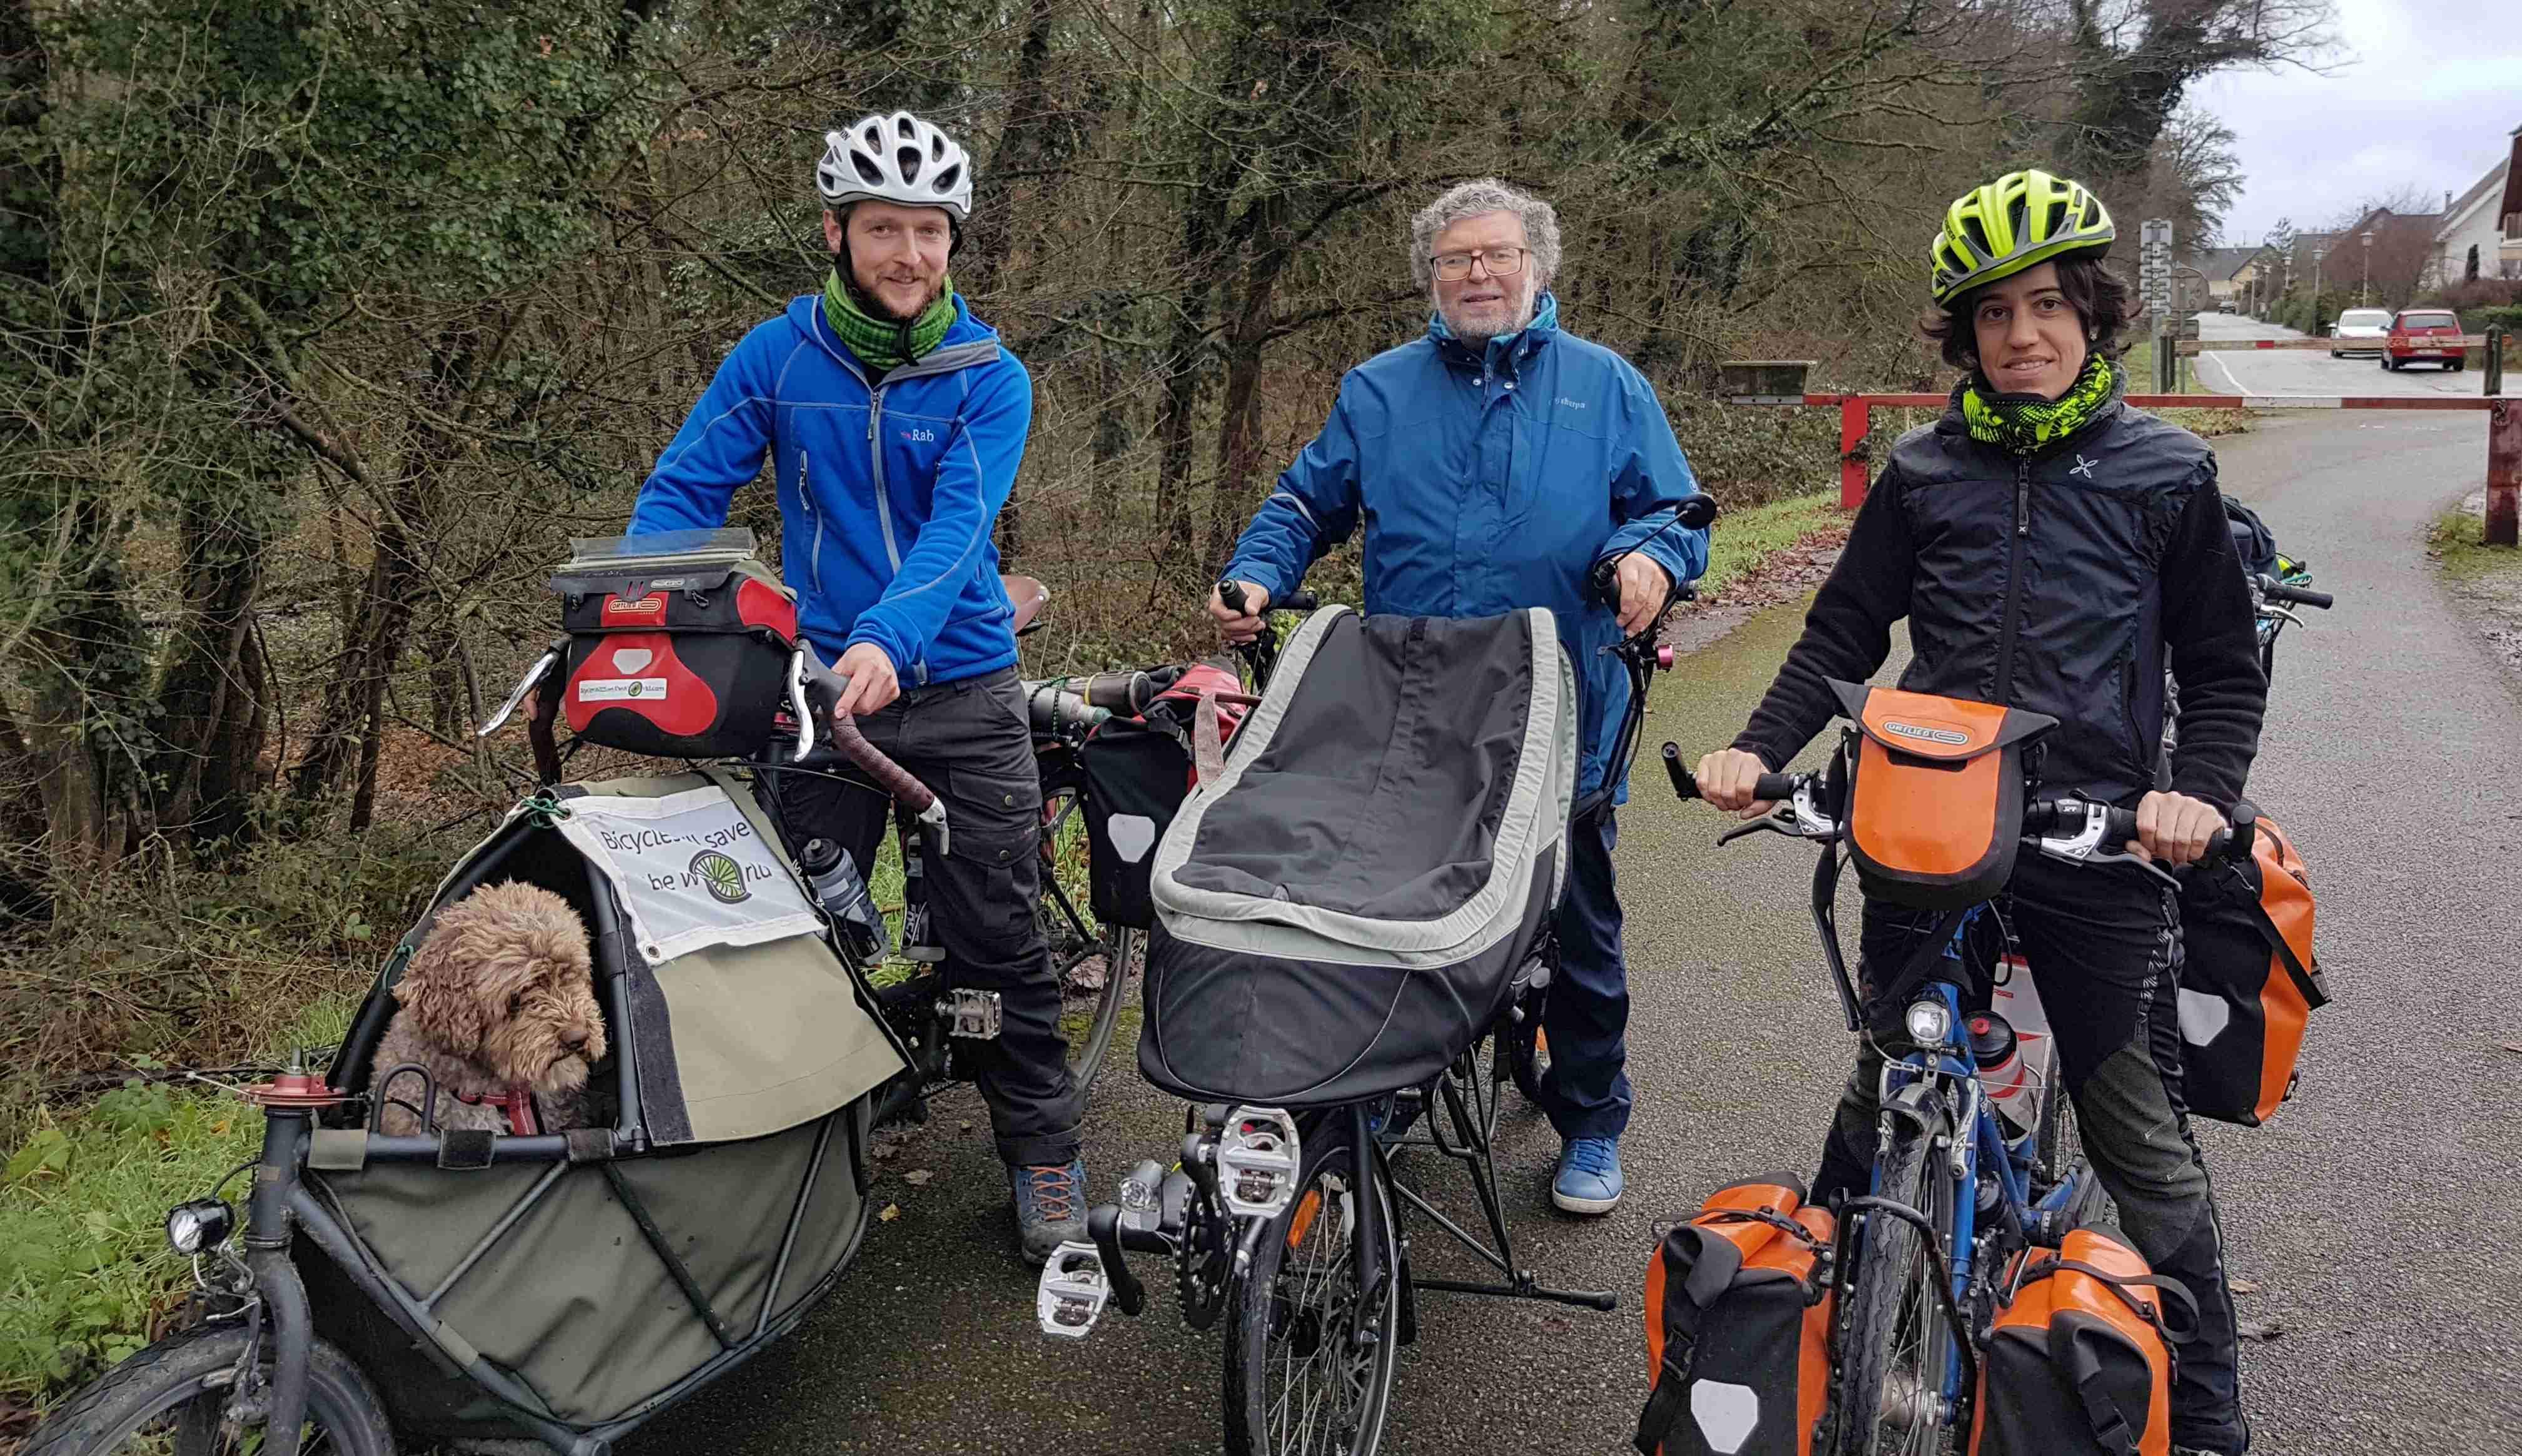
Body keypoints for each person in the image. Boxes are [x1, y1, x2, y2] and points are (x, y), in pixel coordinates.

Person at [1695, 168, 2262, 1455]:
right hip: (1930, 821)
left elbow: (2224, 668)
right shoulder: (1922, 468)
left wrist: (2198, 801)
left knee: (2135, 1135)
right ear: (1964, 335)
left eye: (2051, 307)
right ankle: (1812, 1366)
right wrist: (1755, 748)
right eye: (1997, 314)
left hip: (2100, 837)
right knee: (1880, 1093)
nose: (2025, 336)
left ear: (2095, 315)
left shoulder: (2169, 473)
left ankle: (2217, 1421)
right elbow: (1843, 629)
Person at [629, 111, 1086, 1266]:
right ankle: (815, 1124)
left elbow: (952, 538)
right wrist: (634, 609)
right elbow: (682, 494)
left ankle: (1042, 1147)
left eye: (929, 232)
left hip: (957, 678)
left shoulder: (990, 378)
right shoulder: (774, 359)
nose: (909, 255)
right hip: (816, 681)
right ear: (836, 234)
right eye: (884, 229)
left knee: (997, 932)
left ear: (952, 244)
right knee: (798, 922)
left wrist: (887, 639)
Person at [1208, 178, 1708, 1216]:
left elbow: (1675, 511)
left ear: (1538, 267)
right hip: (1411, 711)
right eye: (1455, 259)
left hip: (1559, 709)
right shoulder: (1380, 391)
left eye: (1497, 255)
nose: (1477, 274)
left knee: (1576, 922)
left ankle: (1589, 1119)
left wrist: (1650, 556)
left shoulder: (1605, 386)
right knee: (1385, 904)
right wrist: (1257, 572)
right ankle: (1385, 1083)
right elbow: (1307, 501)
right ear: (1429, 276)